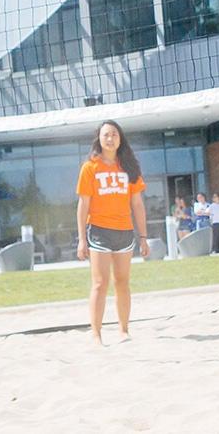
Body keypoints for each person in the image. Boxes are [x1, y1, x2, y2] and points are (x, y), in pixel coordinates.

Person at [76, 121, 152, 345]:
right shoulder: (90, 167)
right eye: (106, 135)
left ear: (120, 139)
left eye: (114, 135)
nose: (110, 138)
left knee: (122, 282)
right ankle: (97, 335)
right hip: (99, 231)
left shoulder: (129, 167)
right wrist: (81, 239)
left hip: (125, 232)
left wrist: (144, 237)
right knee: (100, 283)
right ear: (99, 139)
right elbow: (83, 205)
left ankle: (123, 330)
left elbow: (137, 204)